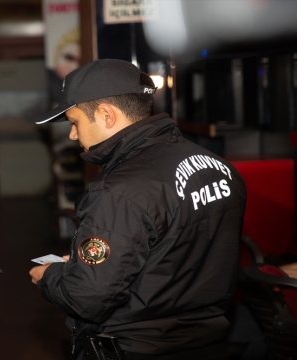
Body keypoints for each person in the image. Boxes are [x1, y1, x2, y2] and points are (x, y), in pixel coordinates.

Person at [29, 59, 247, 359]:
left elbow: (87, 298)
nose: (73, 135)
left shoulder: (119, 191)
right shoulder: (217, 166)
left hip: (135, 347)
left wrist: (51, 276)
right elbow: (169, 254)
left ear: (106, 115)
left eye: (74, 122)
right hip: (207, 343)